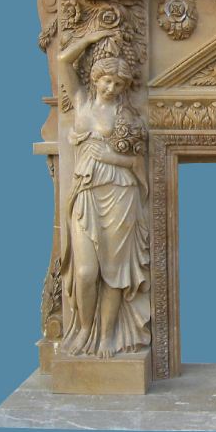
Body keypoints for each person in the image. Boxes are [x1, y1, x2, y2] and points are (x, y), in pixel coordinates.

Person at [58, 30, 150, 358]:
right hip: (86, 193)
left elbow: (136, 163)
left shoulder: (128, 117)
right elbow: (62, 61)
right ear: (96, 79)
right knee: (86, 272)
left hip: (121, 194)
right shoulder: (81, 104)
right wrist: (89, 38)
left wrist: (111, 156)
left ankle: (108, 336)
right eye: (107, 81)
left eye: (118, 84)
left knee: (115, 272)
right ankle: (85, 329)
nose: (111, 88)